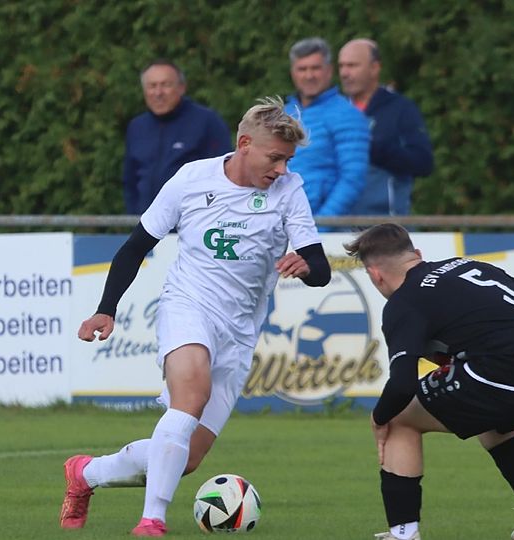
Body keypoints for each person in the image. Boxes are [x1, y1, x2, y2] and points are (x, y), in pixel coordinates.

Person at [63, 97, 331, 536]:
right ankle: (152, 521)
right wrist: (105, 309)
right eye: (275, 158)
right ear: (245, 144)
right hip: (188, 306)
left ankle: (85, 474)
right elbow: (135, 247)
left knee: (184, 459)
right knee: (190, 397)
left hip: (240, 333)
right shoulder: (191, 179)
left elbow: (319, 268)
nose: (282, 169)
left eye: (288, 160)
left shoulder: (289, 190)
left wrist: (305, 266)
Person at [343, 224, 514, 540]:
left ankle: (404, 534)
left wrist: (379, 418)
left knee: (399, 420)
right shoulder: (467, 265)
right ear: (417, 255)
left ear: (375, 275)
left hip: (507, 381)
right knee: (483, 404)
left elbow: (402, 385)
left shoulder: (404, 303)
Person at [122, 59, 232, 214]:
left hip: (191, 227)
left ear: (182, 88)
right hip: (146, 229)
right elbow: (130, 182)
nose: (158, 93)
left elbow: (225, 176)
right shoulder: (137, 127)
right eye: (152, 86)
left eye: (165, 85)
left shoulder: (207, 122)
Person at [338, 39, 434, 216]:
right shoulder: (335, 110)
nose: (344, 73)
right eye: (341, 66)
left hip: (387, 225)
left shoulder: (400, 108)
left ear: (374, 68)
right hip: (337, 225)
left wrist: (374, 149)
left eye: (352, 65)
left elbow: (424, 162)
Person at [284, 37, 369, 218]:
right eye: (302, 69)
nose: (309, 75)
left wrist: (319, 226)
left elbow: (352, 179)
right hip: (280, 221)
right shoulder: (284, 113)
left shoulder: (347, 115)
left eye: (315, 68)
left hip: (320, 227)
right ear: (293, 72)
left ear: (329, 71)